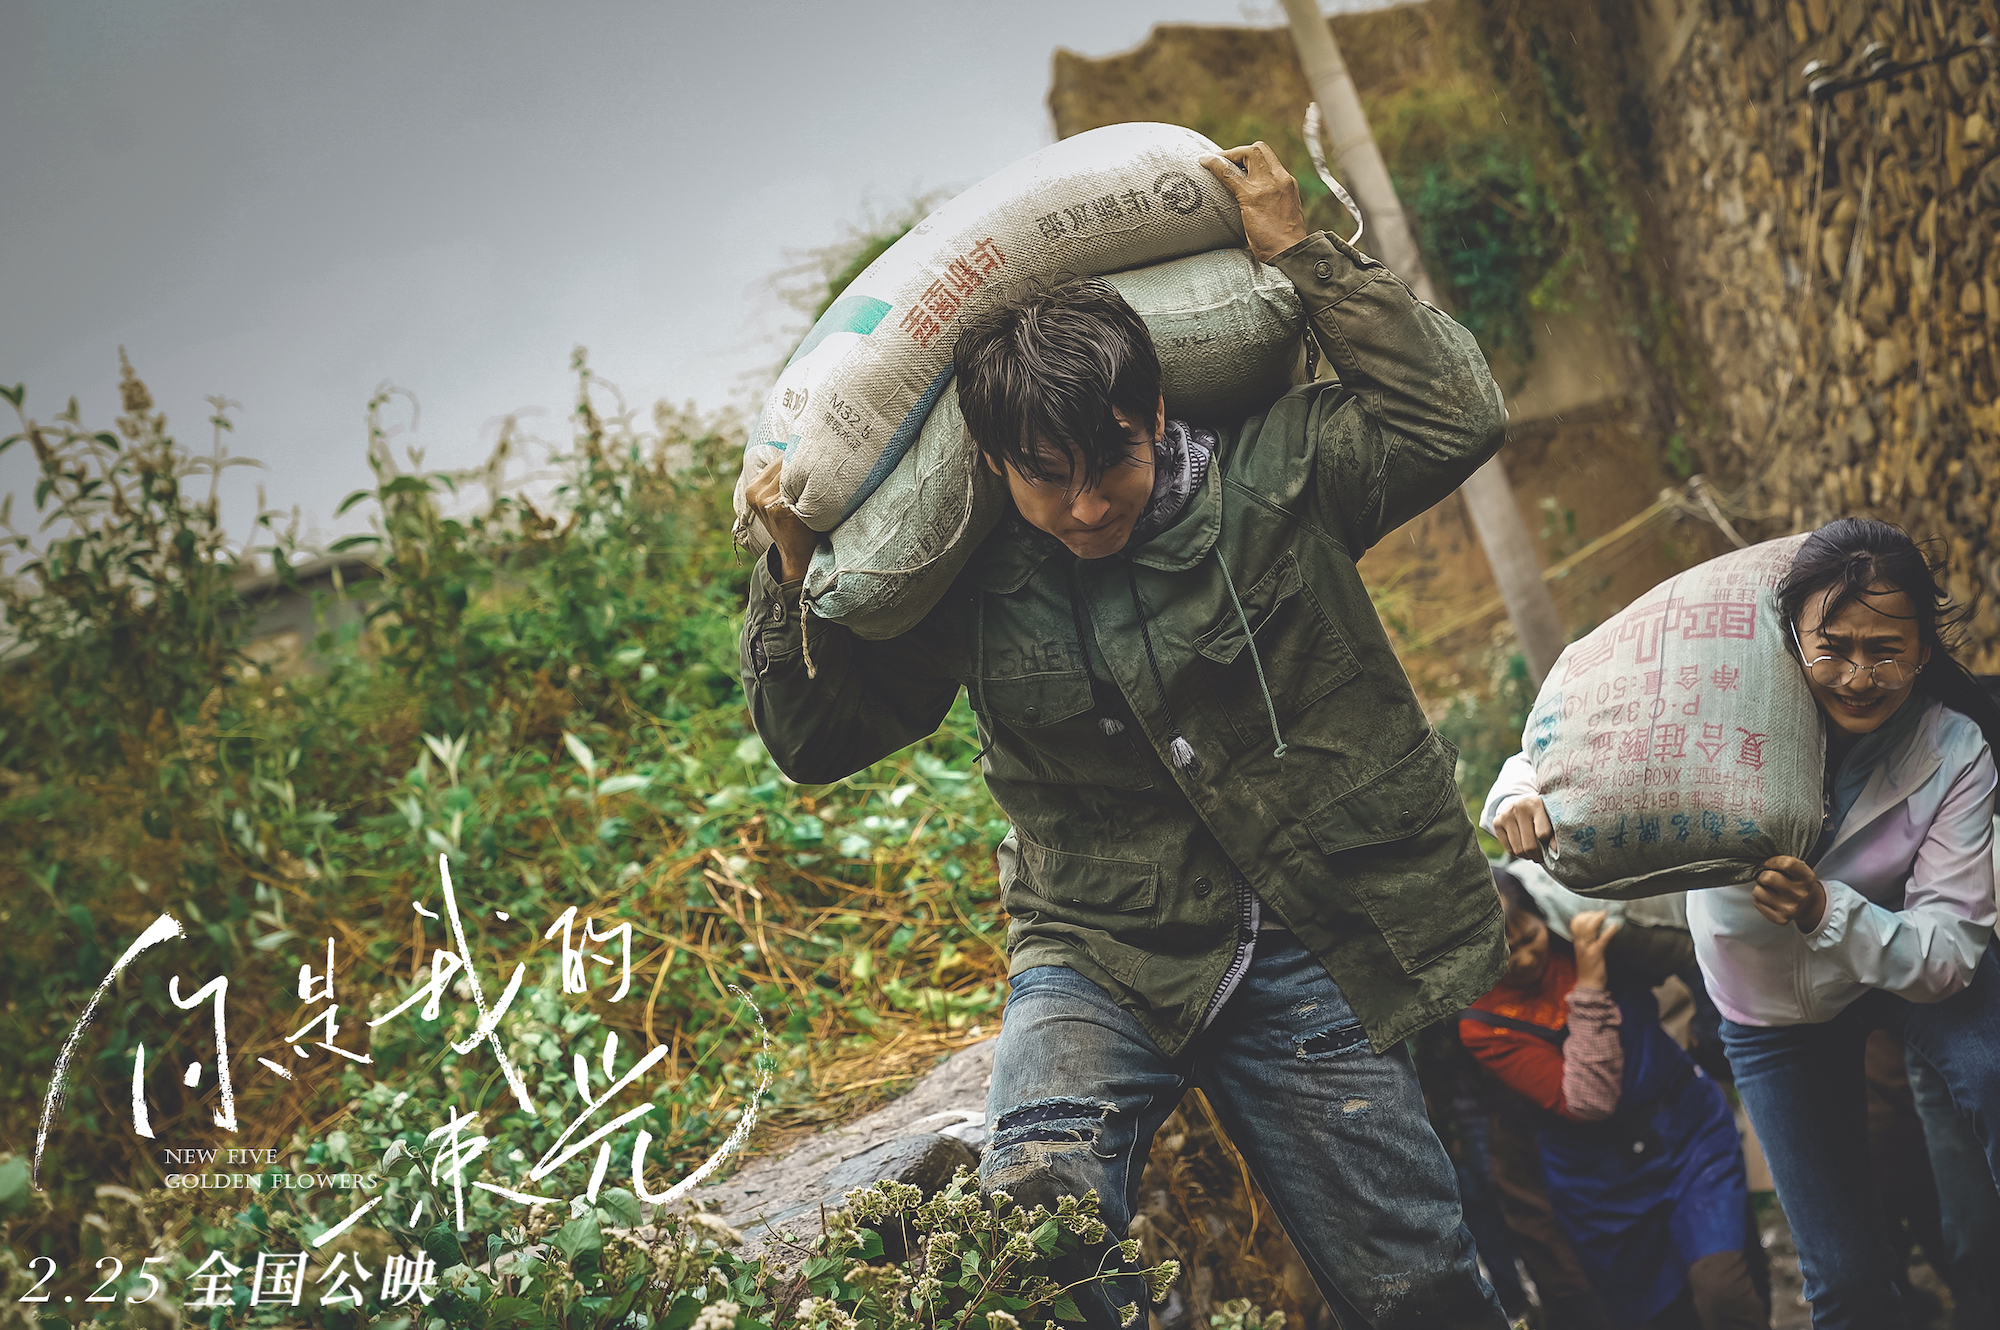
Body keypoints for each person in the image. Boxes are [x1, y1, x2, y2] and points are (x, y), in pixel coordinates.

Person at [740, 142, 1513, 1328]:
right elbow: (818, 737)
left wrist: (1302, 258)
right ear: (989, 467)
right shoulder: (967, 585)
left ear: (1153, 408)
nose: (1088, 503)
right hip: (1093, 951)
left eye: (1111, 458)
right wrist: (789, 576)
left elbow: (1453, 416)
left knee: (1419, 1285)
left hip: (1303, 939)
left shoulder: (1281, 479)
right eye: (1045, 479)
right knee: (1036, 1239)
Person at [1483, 518, 2000, 1329]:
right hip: (1770, 1009)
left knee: (1989, 1066)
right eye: (1834, 647)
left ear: (1925, 652)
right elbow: (1601, 729)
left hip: (1903, 966)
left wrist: (1830, 912)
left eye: (1887, 651)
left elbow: (1952, 952)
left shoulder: (1954, 751)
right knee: (1849, 1277)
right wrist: (1514, 795)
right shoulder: (1727, 702)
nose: (1860, 676)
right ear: (1789, 639)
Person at [1459, 870, 1765, 1329]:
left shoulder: (1583, 931)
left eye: (1527, 938)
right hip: (1600, 1183)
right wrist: (1589, 985)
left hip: (1686, 1135)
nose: (1522, 959)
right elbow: (1588, 1099)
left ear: (1543, 918)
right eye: (1504, 952)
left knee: (1725, 1290)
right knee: (1659, 1313)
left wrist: (1711, 1037)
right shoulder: (1484, 1024)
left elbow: (1690, 945)